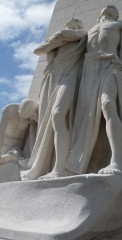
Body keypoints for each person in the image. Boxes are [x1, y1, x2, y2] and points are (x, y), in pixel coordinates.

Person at [66, 5, 122, 178]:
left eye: (114, 7)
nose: (110, 6)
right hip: (88, 71)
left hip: (110, 65)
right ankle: (77, 163)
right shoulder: (90, 30)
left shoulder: (121, 24)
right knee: (84, 115)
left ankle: (116, 162)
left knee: (108, 105)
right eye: (107, 6)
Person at [21, 18, 87, 180]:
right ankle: (46, 165)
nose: (71, 21)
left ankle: (59, 168)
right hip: (50, 80)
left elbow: (70, 34)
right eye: (69, 22)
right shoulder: (60, 41)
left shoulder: (80, 35)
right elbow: (38, 50)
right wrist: (55, 41)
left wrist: (56, 39)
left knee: (58, 115)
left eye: (75, 22)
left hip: (69, 78)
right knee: (47, 122)